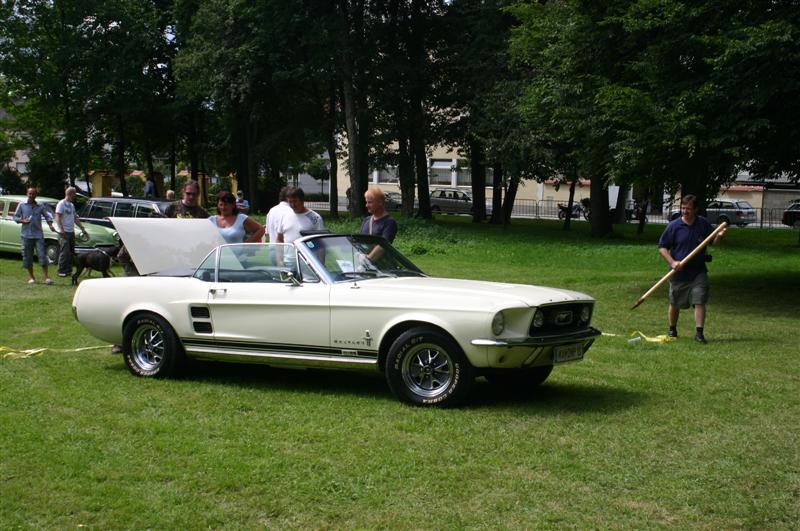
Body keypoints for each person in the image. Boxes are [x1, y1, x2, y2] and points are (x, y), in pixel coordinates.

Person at [658, 194, 726, 343]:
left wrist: (719, 236)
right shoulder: (674, 226)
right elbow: (662, 247)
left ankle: (699, 333)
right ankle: (672, 329)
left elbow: (714, 243)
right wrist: (672, 262)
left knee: (699, 300)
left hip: (698, 271)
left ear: (695, 209)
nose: (685, 211)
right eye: (683, 208)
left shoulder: (702, 224)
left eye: (688, 208)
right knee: (675, 303)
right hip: (679, 272)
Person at [13, 186, 56, 284]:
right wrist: (23, 221)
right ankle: (31, 277)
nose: (31, 195)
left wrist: (50, 225)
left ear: (36, 195)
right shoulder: (22, 205)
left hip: (38, 235)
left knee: (42, 256)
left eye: (33, 194)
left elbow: (47, 216)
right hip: (26, 236)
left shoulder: (40, 206)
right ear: (27, 194)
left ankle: (46, 278)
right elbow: (15, 217)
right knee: (27, 257)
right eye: (30, 193)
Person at [55, 186, 88, 277]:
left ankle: (68, 270)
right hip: (63, 231)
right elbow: (57, 217)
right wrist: (61, 230)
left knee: (71, 251)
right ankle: (61, 270)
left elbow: (75, 218)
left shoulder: (71, 205)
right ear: (70, 194)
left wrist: (82, 228)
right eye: (74, 194)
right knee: (64, 251)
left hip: (71, 231)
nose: (75, 196)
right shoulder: (61, 203)